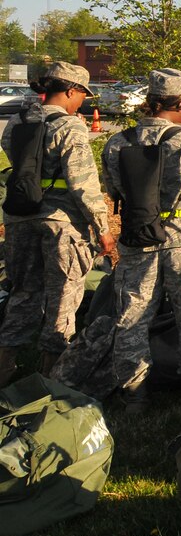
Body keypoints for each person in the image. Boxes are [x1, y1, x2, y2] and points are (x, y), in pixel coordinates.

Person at [103, 68, 181, 413]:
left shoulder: (118, 141)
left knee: (132, 316)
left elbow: (113, 189)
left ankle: (135, 395)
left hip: (137, 239)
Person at [0, 62, 116, 386]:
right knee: (63, 297)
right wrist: (103, 228)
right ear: (69, 91)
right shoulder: (70, 127)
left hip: (20, 218)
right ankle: (49, 380)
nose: (83, 102)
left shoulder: (16, 122)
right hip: (61, 222)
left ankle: (5, 368)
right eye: (82, 95)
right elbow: (83, 183)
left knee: (23, 292)